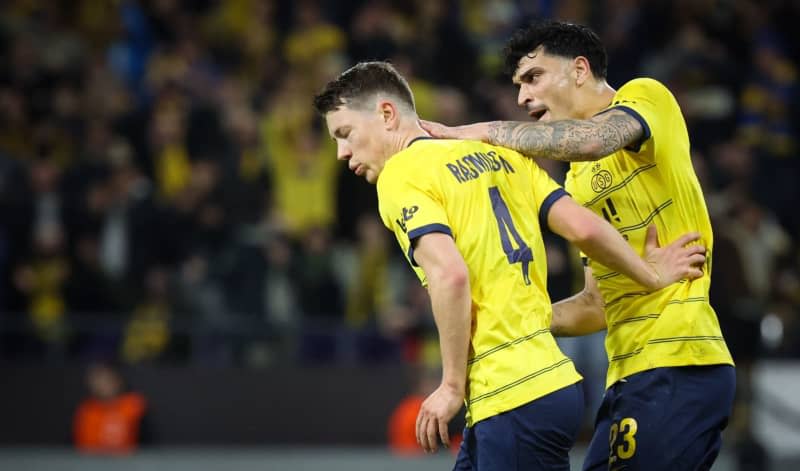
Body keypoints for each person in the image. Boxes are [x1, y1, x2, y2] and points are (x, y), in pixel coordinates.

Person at [313, 61, 705, 470]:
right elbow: (585, 227)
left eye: (345, 134)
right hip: (548, 383)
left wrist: (449, 385)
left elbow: (450, 275)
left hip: (511, 392)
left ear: (386, 115)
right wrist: (651, 273)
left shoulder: (401, 175)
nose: (342, 152)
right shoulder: (501, 157)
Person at [420, 20, 736, 471]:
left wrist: (481, 131)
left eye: (533, 77)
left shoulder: (645, 97)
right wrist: (516, 319)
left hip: (677, 357)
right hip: (629, 375)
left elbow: (591, 140)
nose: (522, 98)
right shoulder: (578, 181)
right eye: (517, 86)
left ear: (580, 69)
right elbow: (596, 303)